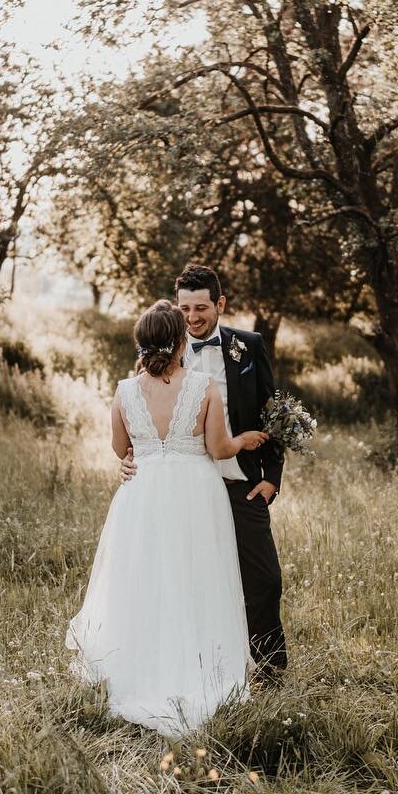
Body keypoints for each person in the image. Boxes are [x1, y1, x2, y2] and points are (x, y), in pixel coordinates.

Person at [65, 299, 270, 736]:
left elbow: (122, 449)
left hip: (141, 494)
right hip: (195, 491)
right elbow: (218, 449)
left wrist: (142, 452)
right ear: (180, 341)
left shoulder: (123, 391)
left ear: (141, 343)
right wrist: (245, 440)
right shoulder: (202, 387)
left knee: (143, 580)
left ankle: (137, 668)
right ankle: (199, 669)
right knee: (197, 579)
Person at [121, 264, 289, 684]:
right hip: (184, 491)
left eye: (200, 307)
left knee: (264, 581)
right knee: (190, 583)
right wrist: (127, 458)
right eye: (184, 309)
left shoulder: (248, 347)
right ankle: (201, 669)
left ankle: (268, 671)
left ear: (220, 304)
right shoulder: (155, 356)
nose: (192, 317)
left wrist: (272, 477)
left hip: (240, 485)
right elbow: (140, 420)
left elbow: (273, 414)